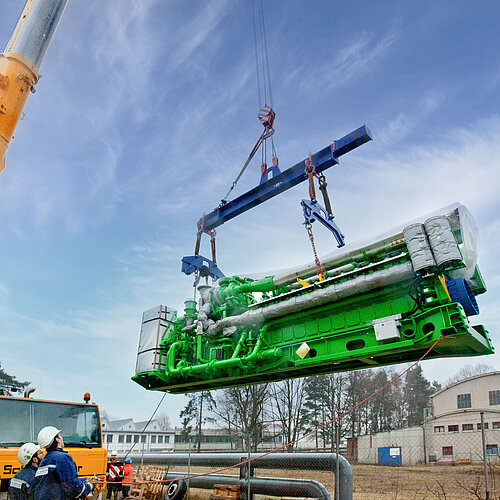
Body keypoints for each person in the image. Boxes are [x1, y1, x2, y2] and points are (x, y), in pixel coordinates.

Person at [33, 426, 96, 499]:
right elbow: (74, 488)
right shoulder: (63, 458)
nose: (62, 438)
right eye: (60, 436)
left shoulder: (45, 460)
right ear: (57, 440)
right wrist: (89, 486)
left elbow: (59, 480)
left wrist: (86, 479)